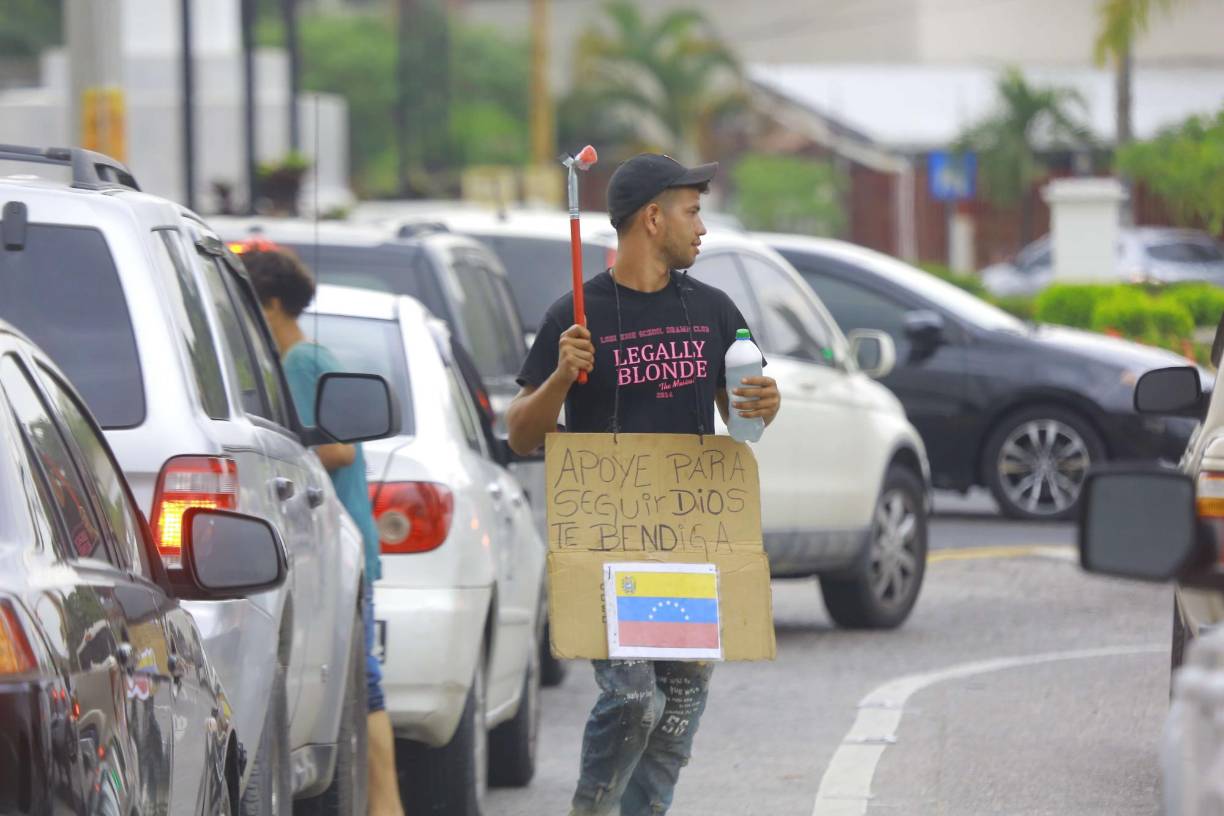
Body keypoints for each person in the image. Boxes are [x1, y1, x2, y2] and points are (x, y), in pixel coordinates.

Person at [506, 154, 782, 815]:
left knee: (681, 703)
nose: (702, 228)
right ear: (652, 219)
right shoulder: (575, 314)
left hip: (688, 540)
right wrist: (561, 379)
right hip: (608, 546)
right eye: (692, 212)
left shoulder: (715, 311)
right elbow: (519, 433)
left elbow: (741, 421)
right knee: (633, 698)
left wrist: (763, 406)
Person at [240, 243, 405, 816]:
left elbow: (335, 446)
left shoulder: (300, 363)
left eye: (252, 306)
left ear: (274, 305)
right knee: (362, 674)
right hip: (339, 536)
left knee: (367, 678)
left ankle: (387, 806)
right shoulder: (303, 360)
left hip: (338, 538)